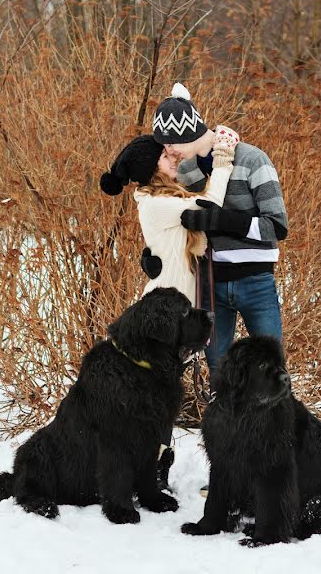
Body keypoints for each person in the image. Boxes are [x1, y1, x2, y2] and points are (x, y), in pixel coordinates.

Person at [99, 124, 240, 490]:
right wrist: (222, 158)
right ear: (150, 169)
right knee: (157, 395)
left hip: (178, 312)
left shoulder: (166, 198)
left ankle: (151, 468)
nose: (173, 155)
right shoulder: (158, 204)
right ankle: (149, 470)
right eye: (165, 155)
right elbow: (209, 205)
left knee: (161, 394)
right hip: (165, 317)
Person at [146, 83, 288, 386]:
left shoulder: (252, 160)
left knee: (270, 371)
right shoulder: (186, 173)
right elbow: (180, 223)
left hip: (257, 283)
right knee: (219, 376)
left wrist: (226, 221)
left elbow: (277, 226)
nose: (169, 151)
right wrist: (154, 253)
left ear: (190, 134)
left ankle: (271, 431)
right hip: (211, 285)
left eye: (172, 144)